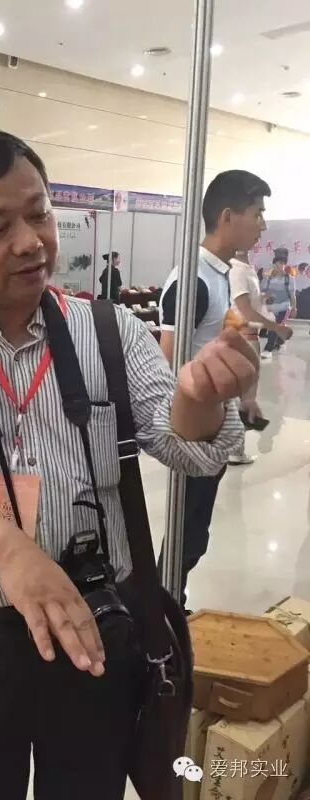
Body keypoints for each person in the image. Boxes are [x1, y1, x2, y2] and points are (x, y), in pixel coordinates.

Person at [0, 130, 252, 800]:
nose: (31, 241)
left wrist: (199, 397)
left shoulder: (111, 333)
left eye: (40, 214)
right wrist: (6, 548)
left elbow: (188, 447)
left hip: (97, 624)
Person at [159, 169, 270, 607]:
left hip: (214, 427)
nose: (262, 225)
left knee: (194, 532)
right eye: (256, 213)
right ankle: (164, 610)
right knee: (185, 532)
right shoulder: (194, 280)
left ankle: (171, 601)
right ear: (227, 216)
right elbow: (167, 364)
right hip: (192, 434)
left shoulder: (222, 274)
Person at [227, 250, 292, 465]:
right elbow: (245, 310)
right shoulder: (237, 269)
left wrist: (261, 298)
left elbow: (247, 303)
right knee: (244, 395)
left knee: (244, 394)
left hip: (247, 334)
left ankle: (236, 447)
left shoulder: (246, 267)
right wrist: (277, 328)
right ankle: (235, 449)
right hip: (244, 334)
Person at [261, 252, 297, 359]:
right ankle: (280, 341)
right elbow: (263, 292)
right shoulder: (268, 278)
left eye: (281, 264)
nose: (278, 266)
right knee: (275, 327)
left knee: (274, 326)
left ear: (284, 265)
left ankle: (268, 349)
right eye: (276, 264)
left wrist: (294, 308)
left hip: (283, 307)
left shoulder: (289, 279)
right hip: (270, 308)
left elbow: (292, 295)